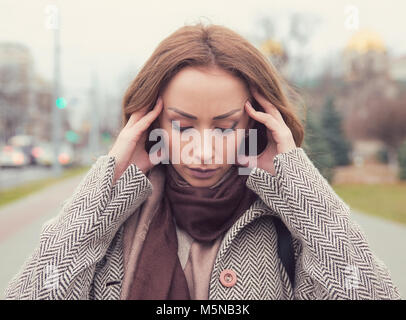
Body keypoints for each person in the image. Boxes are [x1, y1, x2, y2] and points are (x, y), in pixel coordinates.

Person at [4, 22, 402, 300]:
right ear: (150, 121)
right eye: (182, 125)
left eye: (226, 128)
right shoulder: (113, 221)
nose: (204, 151)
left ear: (256, 126)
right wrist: (104, 188)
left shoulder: (291, 225)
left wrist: (300, 183)